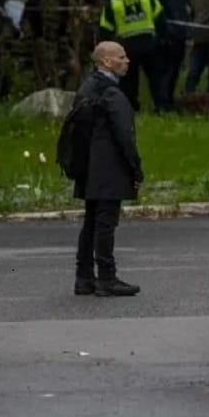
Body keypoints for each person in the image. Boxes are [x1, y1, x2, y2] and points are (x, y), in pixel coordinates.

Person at [72, 42, 143, 298]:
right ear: (106, 62)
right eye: (121, 57)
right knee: (105, 224)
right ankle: (107, 278)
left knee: (91, 222)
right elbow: (125, 135)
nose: (127, 61)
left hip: (88, 167)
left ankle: (84, 277)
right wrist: (136, 169)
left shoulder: (86, 88)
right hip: (109, 168)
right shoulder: (111, 94)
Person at [98, 0, 167, 112]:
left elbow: (105, 28)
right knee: (155, 77)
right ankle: (161, 106)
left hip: (127, 45)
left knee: (129, 79)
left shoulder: (113, 3)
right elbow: (160, 16)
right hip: (149, 42)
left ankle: (132, 107)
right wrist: (160, 37)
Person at [155, 0, 193, 112]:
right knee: (165, 72)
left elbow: (186, 18)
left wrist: (188, 35)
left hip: (180, 40)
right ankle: (162, 103)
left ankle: (169, 101)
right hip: (165, 41)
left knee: (175, 72)